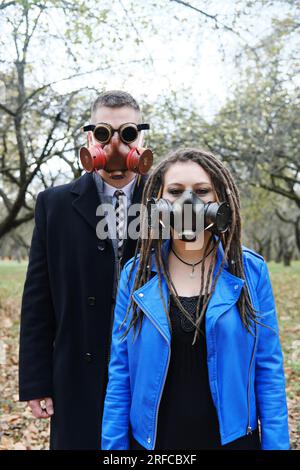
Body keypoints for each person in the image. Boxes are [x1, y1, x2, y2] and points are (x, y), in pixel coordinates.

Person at [101, 148, 290, 450]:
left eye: (202, 191)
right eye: (175, 192)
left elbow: (268, 372)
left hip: (232, 441)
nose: (189, 202)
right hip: (154, 443)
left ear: (220, 201)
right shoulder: (135, 276)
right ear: (157, 202)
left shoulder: (251, 272)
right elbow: (121, 375)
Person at [19, 90, 152, 449]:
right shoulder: (55, 204)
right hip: (75, 373)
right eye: (103, 134)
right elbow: (37, 299)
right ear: (88, 138)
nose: (115, 146)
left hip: (148, 374)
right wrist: (36, 381)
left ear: (141, 137)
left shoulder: (164, 202)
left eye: (127, 134)